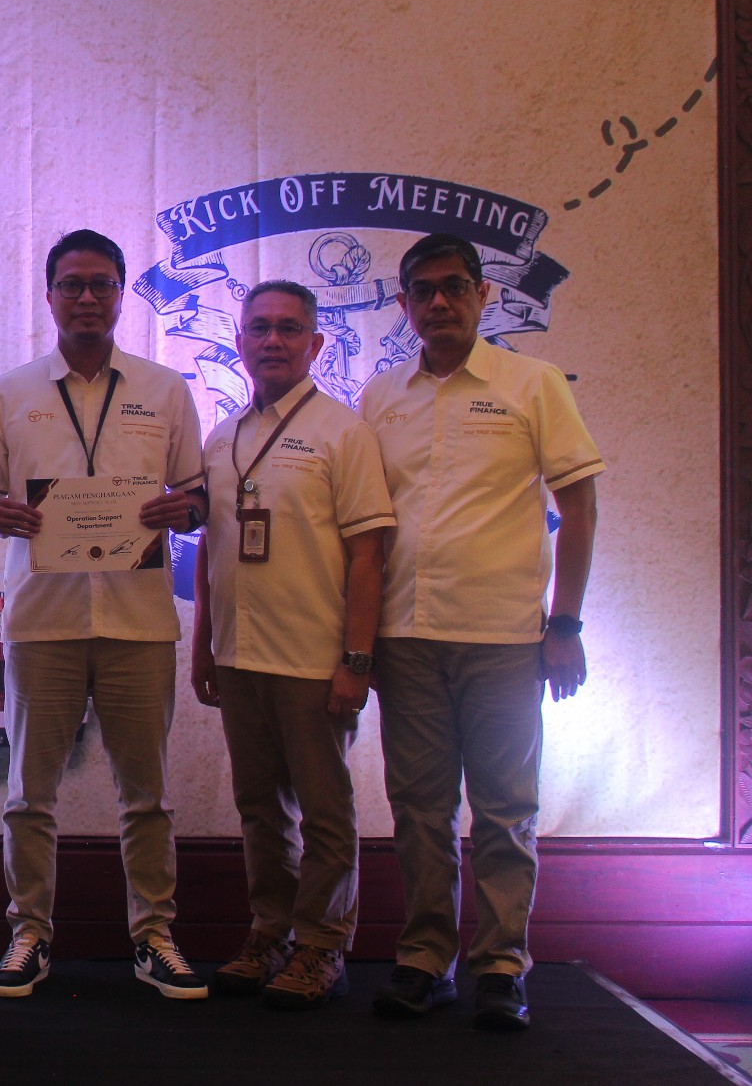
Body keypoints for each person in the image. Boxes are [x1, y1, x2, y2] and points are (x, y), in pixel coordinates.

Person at [361, 232, 603, 1031]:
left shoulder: (532, 383)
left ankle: (501, 964)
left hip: (504, 636)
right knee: (419, 808)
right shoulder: (381, 396)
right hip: (405, 634)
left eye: (455, 286)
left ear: (482, 294)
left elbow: (580, 507)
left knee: (504, 808)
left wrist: (565, 624)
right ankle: (426, 958)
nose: (439, 302)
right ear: (404, 304)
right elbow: (365, 525)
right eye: (423, 290)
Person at [0, 229, 209, 1000]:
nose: (86, 297)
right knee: (28, 794)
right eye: (71, 284)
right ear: (48, 295)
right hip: (43, 620)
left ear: (120, 294)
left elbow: (197, 494)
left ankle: (155, 936)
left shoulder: (165, 390)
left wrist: (185, 508)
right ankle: (28, 933)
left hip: (139, 621)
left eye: (101, 283)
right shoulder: (8, 393)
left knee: (148, 796)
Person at [192, 281, 393, 1010]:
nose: (272, 340)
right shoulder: (222, 436)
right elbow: (214, 546)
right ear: (240, 341)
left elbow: (368, 555)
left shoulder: (344, 433)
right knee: (259, 807)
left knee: (325, 811)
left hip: (313, 659)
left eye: (288, 328)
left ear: (316, 342)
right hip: (239, 655)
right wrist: (203, 645)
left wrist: (356, 661)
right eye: (259, 328)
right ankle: (269, 932)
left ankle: (322, 943)